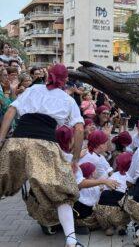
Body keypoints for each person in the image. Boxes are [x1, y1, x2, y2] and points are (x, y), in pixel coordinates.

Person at [0, 64, 85, 247]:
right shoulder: (67, 99)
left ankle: (25, 179)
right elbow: (79, 129)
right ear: (66, 81)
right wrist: (75, 159)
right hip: (44, 146)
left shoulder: (32, 90)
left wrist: (1, 141)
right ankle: (71, 240)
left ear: (47, 75)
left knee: (2, 185)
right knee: (63, 192)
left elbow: (10, 111)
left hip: (18, 141)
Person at [94, 152, 132, 236]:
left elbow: (104, 189)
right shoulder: (130, 178)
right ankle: (121, 226)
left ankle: (108, 228)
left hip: (101, 212)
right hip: (117, 213)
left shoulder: (113, 175)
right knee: (129, 202)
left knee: (106, 202)